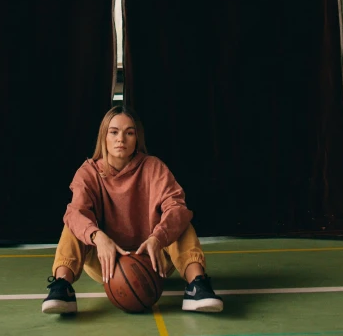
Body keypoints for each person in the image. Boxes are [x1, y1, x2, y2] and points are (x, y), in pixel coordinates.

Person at [42, 105, 223, 315]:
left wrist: (158, 238)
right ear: (104, 136)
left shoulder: (153, 167)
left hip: (153, 258)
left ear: (137, 138)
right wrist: (98, 237)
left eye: (129, 132)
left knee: (180, 221)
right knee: (74, 222)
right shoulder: (88, 172)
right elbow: (76, 213)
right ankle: (62, 286)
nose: (121, 139)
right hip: (106, 261)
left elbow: (177, 207)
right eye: (114, 132)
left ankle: (197, 285)